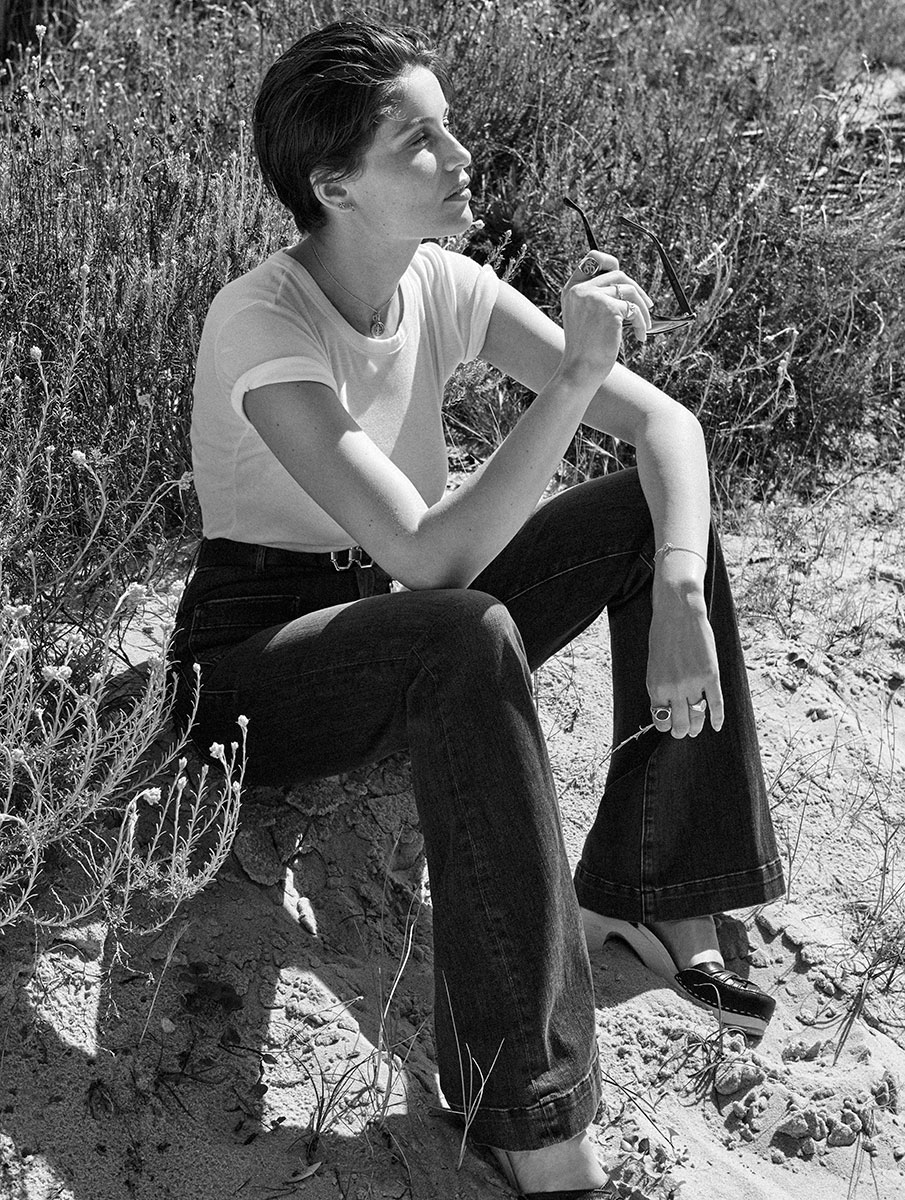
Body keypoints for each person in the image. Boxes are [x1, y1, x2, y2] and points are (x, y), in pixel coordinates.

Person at [171, 16, 784, 1198]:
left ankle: (655, 897)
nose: (459, 155)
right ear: (333, 185)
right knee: (462, 630)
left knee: (648, 511)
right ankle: (527, 1111)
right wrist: (574, 376)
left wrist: (674, 587)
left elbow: (666, 427)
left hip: (405, 620)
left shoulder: (438, 281)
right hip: (259, 659)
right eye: (419, 140)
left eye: (449, 126)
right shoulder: (262, 322)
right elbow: (427, 558)